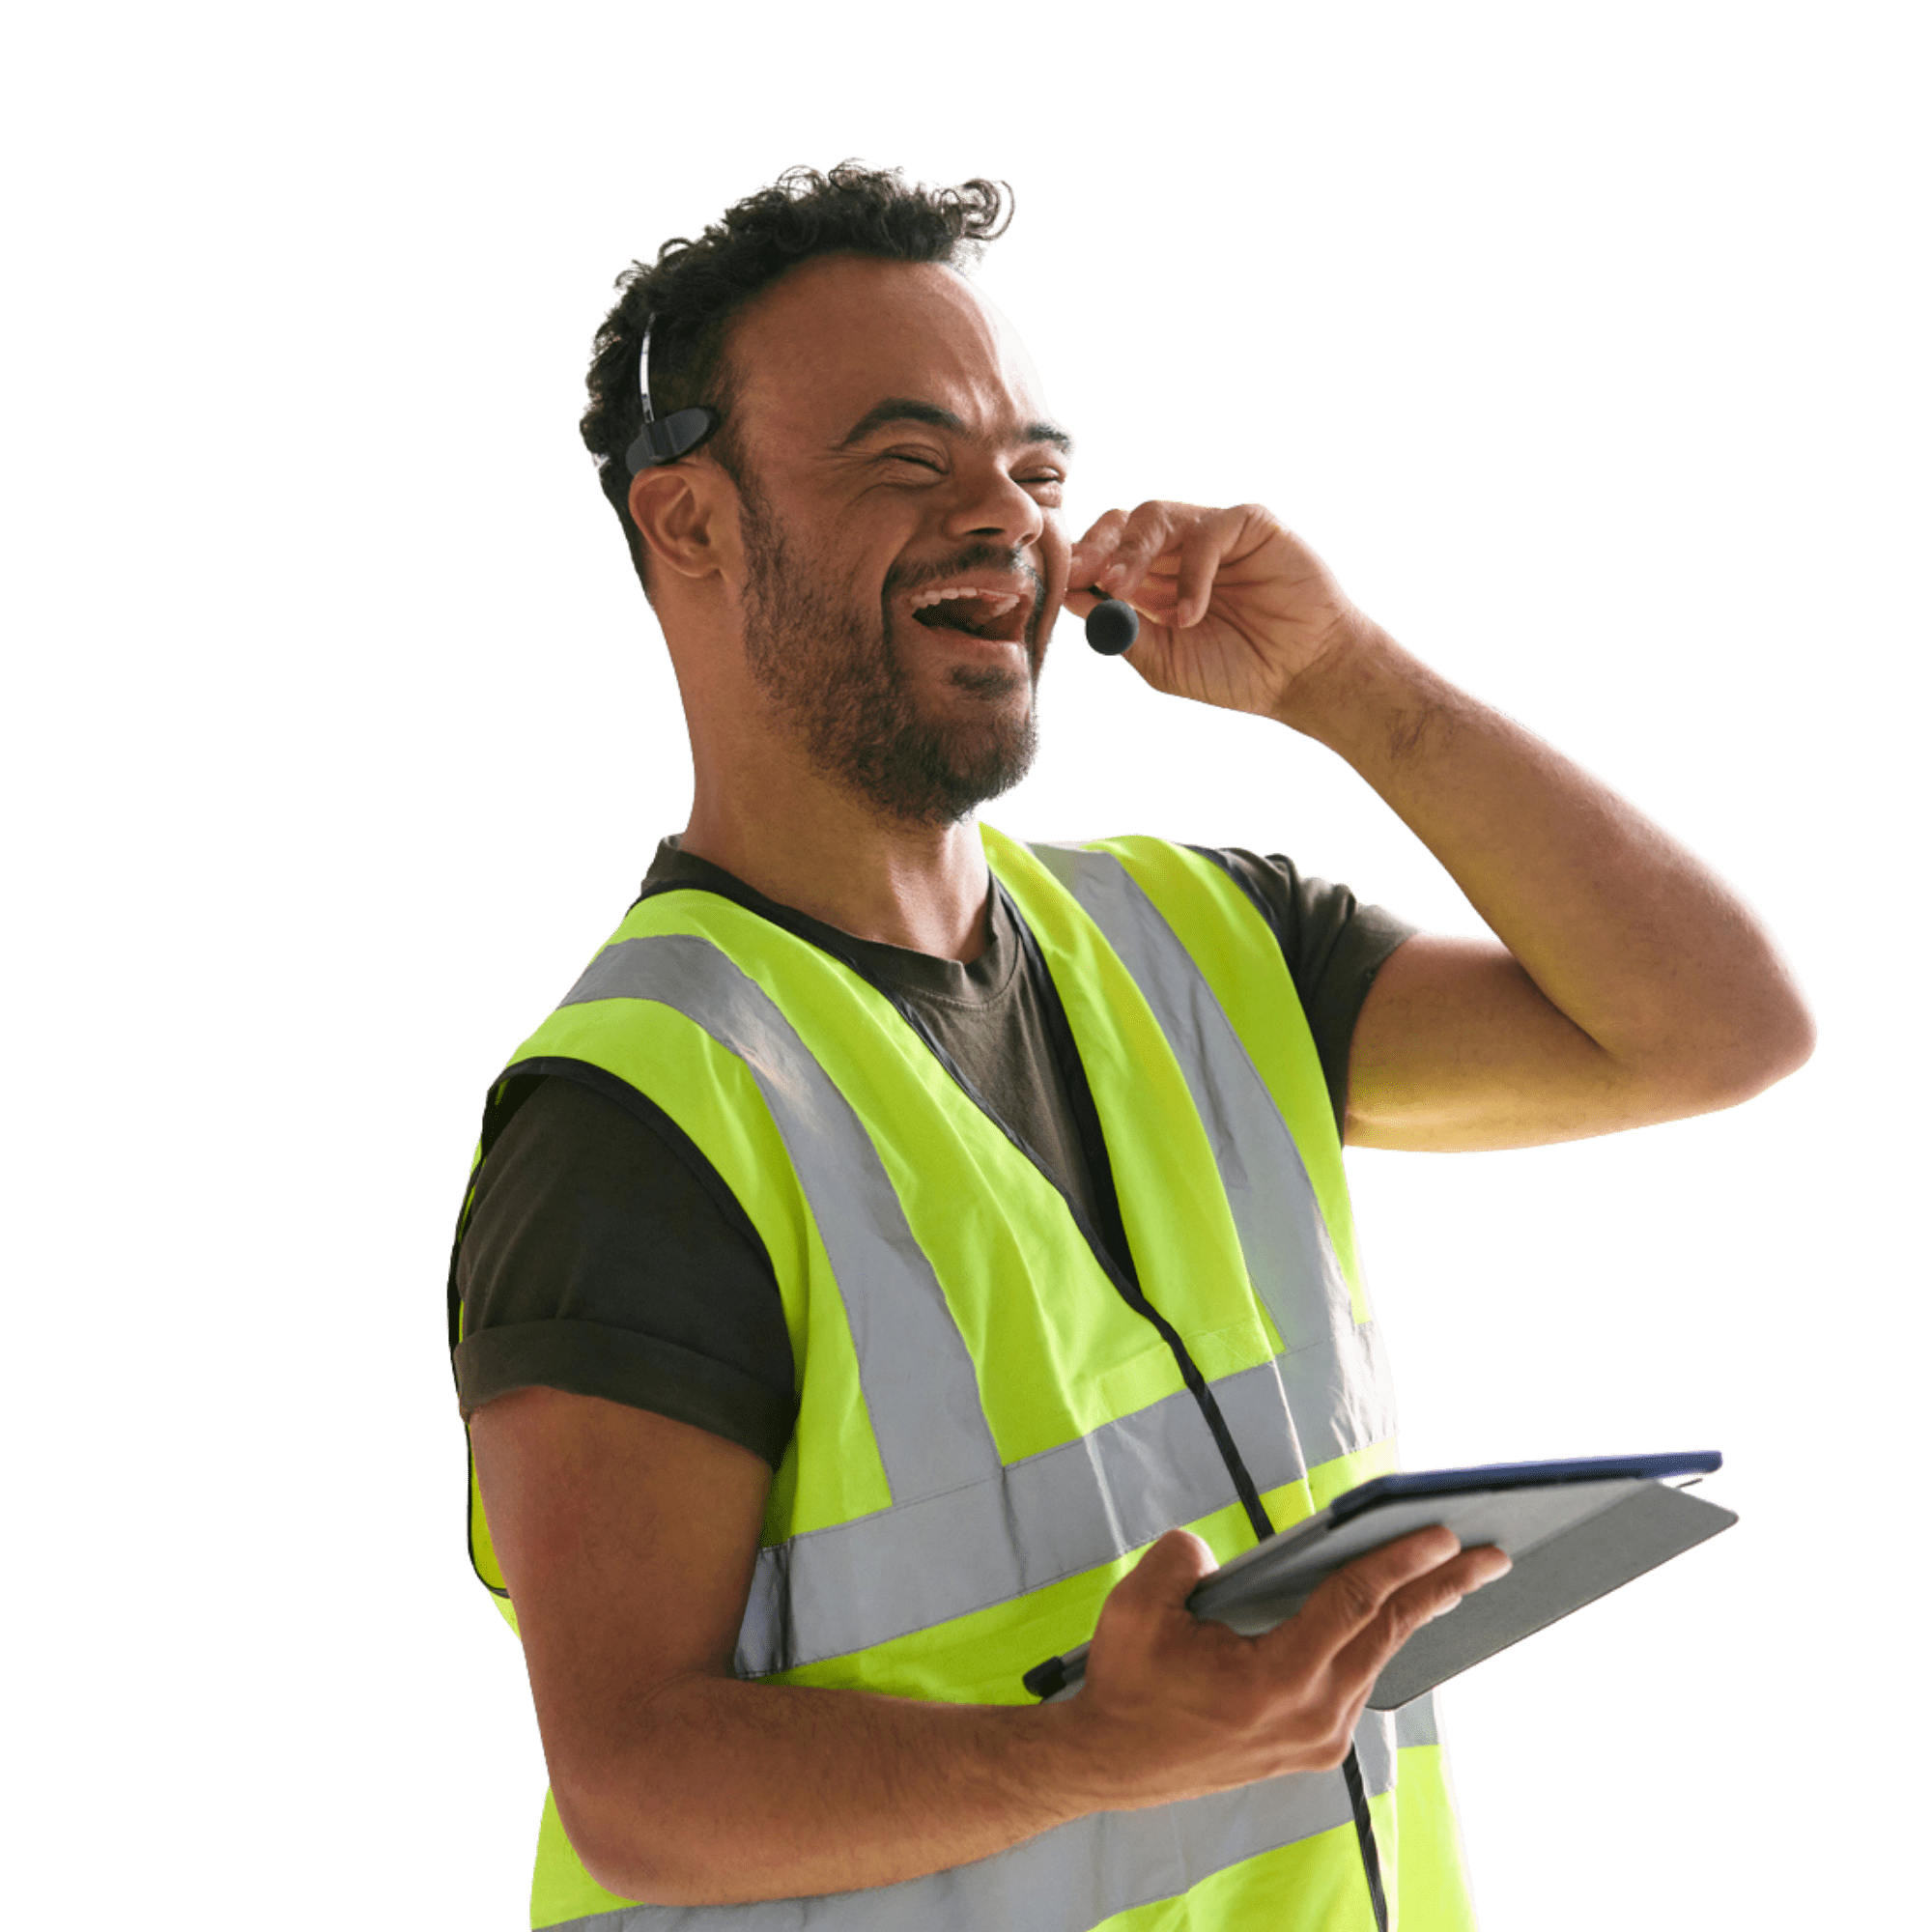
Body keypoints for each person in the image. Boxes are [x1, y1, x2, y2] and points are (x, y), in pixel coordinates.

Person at [448, 159, 1815, 1932]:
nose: (1002, 519)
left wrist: (1344, 679)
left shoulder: (1198, 943)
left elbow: (1716, 1027)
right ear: (692, 523)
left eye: (1035, 470)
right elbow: (637, 1789)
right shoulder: (640, 1112)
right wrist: (1095, 1751)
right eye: (906, 461)